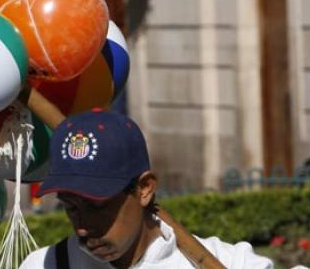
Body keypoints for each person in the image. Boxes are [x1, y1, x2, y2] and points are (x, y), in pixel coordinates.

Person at [20, 109, 273, 268]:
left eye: (97, 206)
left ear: (144, 189)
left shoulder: (228, 261)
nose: (83, 226)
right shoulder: (46, 264)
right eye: (71, 207)